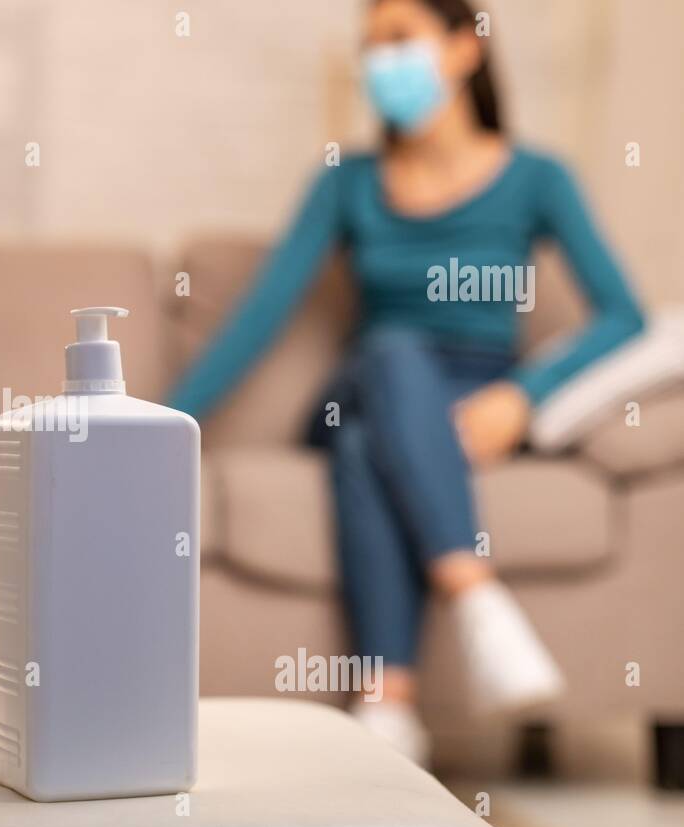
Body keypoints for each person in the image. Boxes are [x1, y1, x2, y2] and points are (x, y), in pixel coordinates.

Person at [167, 0, 644, 765]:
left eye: (399, 40)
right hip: (365, 378)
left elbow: (624, 315)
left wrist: (524, 395)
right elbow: (258, 317)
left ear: (464, 49)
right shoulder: (346, 181)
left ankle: (389, 710)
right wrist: (157, 424)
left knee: (364, 451)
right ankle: (476, 597)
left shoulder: (538, 179)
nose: (378, 62)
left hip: (470, 400)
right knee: (392, 354)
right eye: (370, 47)